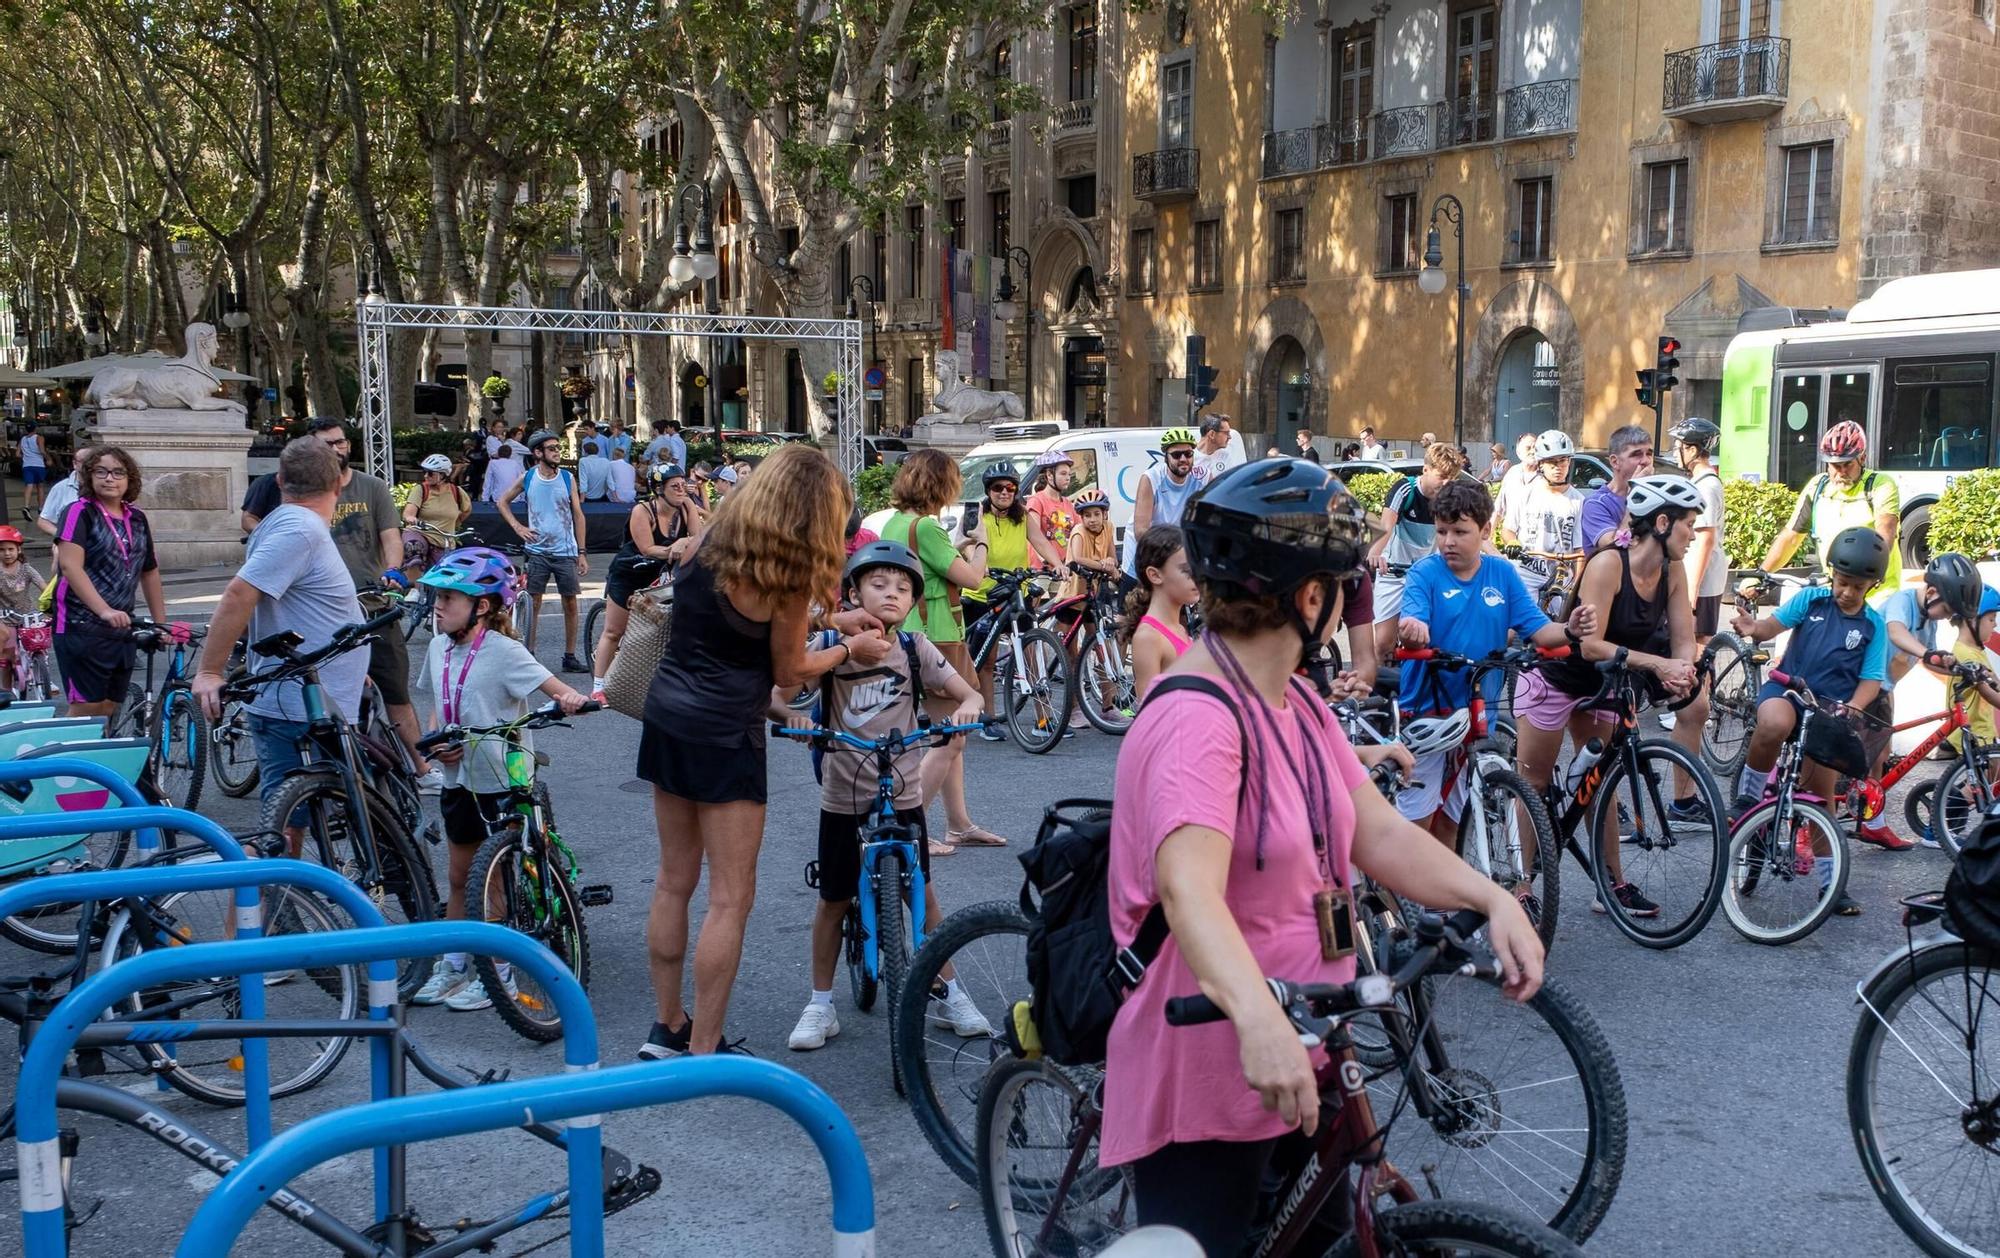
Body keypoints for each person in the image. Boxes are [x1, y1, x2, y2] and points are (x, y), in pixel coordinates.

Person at [1101, 458, 1545, 1255]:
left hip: (1309, 1035)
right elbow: (1188, 893)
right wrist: (1257, 1019)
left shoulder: (1295, 698)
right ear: (1312, 598)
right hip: (1214, 1061)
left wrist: (1493, 898)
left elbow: (1376, 834)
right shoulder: (1195, 721)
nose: (1356, 603)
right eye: (1352, 585)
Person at [637, 444, 889, 1058]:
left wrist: (837, 621)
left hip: (667, 715)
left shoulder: (708, 539)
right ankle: (705, 1046)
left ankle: (667, 1026)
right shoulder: (786, 577)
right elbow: (790, 672)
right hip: (726, 734)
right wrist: (848, 650)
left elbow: (734, 635)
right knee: (731, 896)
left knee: (673, 881)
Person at [779, 541, 990, 1051]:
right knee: (832, 898)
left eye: (902, 588)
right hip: (843, 793)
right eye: (877, 584)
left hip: (904, 792)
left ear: (916, 602)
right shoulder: (831, 643)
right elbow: (776, 692)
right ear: (852, 592)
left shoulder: (916, 649)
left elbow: (971, 692)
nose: (890, 594)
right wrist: (794, 719)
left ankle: (951, 992)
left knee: (924, 894)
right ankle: (820, 1003)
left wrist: (968, 706)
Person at [1512, 476, 1707, 919]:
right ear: (1662, 522)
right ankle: (1522, 883)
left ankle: (1611, 884)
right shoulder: (1607, 565)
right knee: (1535, 783)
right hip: (1559, 676)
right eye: (1688, 524)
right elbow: (1589, 645)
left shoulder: (1672, 571)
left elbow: (1682, 636)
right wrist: (1658, 666)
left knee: (1600, 785)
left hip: (1606, 682)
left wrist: (1682, 668)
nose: (1693, 534)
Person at [410, 548, 591, 1011]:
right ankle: (452, 966)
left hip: (501, 778)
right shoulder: (437, 647)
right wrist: (437, 741)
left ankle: (499, 975)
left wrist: (573, 700)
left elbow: (556, 689)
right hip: (458, 778)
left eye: (450, 597)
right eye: (438, 596)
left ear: (483, 606)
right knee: (457, 877)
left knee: (494, 881)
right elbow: (438, 703)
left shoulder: (506, 651)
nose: (439, 604)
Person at [1396, 480, 1596, 847]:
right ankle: (1406, 900)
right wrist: (1413, 631)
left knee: (1456, 815)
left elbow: (1539, 630)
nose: (1448, 541)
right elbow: (1413, 622)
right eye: (1441, 531)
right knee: (1418, 818)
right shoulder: (1424, 573)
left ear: (1486, 530)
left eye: (1460, 531)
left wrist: (1570, 630)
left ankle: (1442, 900)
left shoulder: (1502, 574)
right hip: (1429, 712)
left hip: (1476, 714)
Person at [191, 439, 366, 844]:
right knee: (280, 834)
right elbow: (239, 594)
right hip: (295, 707)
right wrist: (209, 670)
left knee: (296, 827)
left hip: (318, 700)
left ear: (280, 480)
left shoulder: (288, 524)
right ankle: (256, 904)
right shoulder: (300, 529)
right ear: (339, 483)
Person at [1727, 526, 1894, 915]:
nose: (1846, 592)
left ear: (1872, 584)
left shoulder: (1873, 626)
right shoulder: (1812, 600)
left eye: (1857, 586)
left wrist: (1852, 705)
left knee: (1822, 802)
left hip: (1828, 711)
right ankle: (1749, 795)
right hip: (1790, 690)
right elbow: (1773, 626)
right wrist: (1755, 628)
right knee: (1772, 725)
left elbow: (1871, 680)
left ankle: (1830, 886)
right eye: (1841, 581)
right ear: (1831, 573)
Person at [880, 449, 1006, 852]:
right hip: (938, 635)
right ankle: (911, 826)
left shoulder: (898, 523)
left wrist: (957, 545)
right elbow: (971, 578)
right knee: (951, 735)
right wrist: (981, 544)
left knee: (951, 733)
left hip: (910, 633)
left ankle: (958, 823)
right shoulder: (927, 528)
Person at [300, 418, 435, 786]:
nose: (337, 449)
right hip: (324, 614)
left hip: (373, 606)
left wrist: (393, 571)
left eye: (341, 442)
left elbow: (391, 537)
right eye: (327, 444)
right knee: (327, 699)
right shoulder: (307, 493)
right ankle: (330, 775)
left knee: (395, 690)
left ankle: (422, 768)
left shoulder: (371, 487)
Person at [52, 446, 170, 720]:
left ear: (129, 479)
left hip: (121, 625)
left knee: (109, 707)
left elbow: (149, 571)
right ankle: (66, 762)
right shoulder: (78, 512)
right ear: (89, 476)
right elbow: (70, 566)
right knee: (86, 709)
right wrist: (104, 610)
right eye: (101, 472)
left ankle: (98, 761)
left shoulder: (137, 518)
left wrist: (161, 622)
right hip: (81, 623)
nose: (109, 478)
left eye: (118, 472)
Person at [961, 462, 1064, 738]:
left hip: (1016, 591)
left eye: (1010, 488)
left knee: (1031, 653)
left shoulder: (1023, 517)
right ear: (988, 491)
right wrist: (976, 563)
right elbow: (968, 545)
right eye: (998, 488)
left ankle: (1044, 721)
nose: (1005, 492)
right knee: (987, 659)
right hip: (982, 595)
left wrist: (1057, 564)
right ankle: (988, 720)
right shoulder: (977, 515)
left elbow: (1041, 542)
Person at [591, 463, 704, 697]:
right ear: (659, 489)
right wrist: (677, 545)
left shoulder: (687, 506)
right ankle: (598, 687)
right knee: (614, 631)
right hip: (630, 571)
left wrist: (686, 543)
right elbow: (647, 549)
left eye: (684, 485)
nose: (682, 490)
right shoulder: (642, 511)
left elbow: (697, 539)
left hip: (661, 574)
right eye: (675, 486)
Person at [1757, 419, 1901, 601]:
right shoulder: (1817, 487)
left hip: (1879, 594)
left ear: (1862, 458)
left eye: (1847, 464)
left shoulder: (1880, 485)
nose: (1840, 472)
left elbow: (1886, 530)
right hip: (1837, 592)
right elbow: (1791, 538)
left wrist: (1870, 572)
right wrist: (1761, 574)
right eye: (1834, 465)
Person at [497, 429, 590, 673]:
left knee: (570, 603)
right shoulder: (528, 477)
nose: (557, 452)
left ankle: (570, 656)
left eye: (558, 448)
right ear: (538, 453)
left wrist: (582, 552)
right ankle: (529, 654)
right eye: (552, 448)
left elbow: (578, 515)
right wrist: (518, 527)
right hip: (537, 550)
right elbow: (502, 501)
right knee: (533, 603)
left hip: (565, 551)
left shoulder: (568, 478)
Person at [1367, 441, 1459, 676]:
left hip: (1425, 574)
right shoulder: (1404, 489)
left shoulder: (1449, 498)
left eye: (1452, 478)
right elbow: (1386, 526)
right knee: (1383, 644)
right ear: (1425, 469)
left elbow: (1463, 531)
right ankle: (1381, 696)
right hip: (1394, 571)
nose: (1446, 483)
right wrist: (1375, 553)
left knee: (1432, 640)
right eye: (1442, 476)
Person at [1500, 429, 1587, 604]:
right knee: (1519, 625)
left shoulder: (1579, 501)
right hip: (1526, 572)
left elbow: (1580, 550)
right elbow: (1508, 530)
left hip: (1560, 575)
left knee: (1559, 625)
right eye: (1551, 462)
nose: (1558, 467)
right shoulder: (1525, 493)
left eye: (1563, 461)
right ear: (1540, 464)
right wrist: (1512, 542)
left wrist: (1577, 587)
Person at [1670, 418, 1728, 645]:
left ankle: (1706, 683)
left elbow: (1705, 538)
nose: (1675, 452)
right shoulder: (1699, 482)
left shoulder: (1707, 486)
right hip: (1696, 574)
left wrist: (1692, 590)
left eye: (1678, 447)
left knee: (1699, 644)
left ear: (1692, 449)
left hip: (1703, 579)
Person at [1124, 525, 1197, 696]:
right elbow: (1149, 714)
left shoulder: (1179, 629)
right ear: (1155, 575)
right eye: (1187, 570)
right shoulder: (1148, 637)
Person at [1127, 428, 1207, 575]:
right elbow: (1141, 532)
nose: (1183, 459)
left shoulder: (1203, 479)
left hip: (1176, 559)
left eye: (1188, 454)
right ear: (1166, 457)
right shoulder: (1151, 478)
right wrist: (1172, 551)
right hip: (1145, 555)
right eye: (1176, 455)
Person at [1577, 424, 1654, 556]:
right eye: (1637, 455)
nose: (1646, 461)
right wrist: (1634, 498)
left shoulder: (1655, 499)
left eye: (1649, 454)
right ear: (1615, 462)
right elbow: (1614, 548)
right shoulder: (1596, 504)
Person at [401, 453, 472, 578]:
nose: (425, 476)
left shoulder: (457, 492)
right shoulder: (421, 490)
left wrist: (454, 524)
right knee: (413, 548)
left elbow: (466, 511)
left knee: (445, 575)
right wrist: (412, 519)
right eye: (425, 472)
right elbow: (408, 513)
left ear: (443, 475)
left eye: (430, 473)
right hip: (421, 533)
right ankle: (414, 591)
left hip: (443, 539)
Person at [0, 525, 45, 678]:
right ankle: (6, 691)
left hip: (28, 614)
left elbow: (43, 586)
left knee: (38, 642)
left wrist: (51, 601)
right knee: (9, 654)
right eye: (2, 550)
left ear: (18, 550)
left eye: (11, 549)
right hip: (5, 617)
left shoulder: (26, 569)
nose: (7, 553)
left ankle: (42, 673)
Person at [1024, 450, 1077, 572]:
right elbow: (1033, 537)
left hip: (1064, 568)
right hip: (1042, 570)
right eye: (1063, 474)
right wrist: (1045, 560)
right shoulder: (1037, 501)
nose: (1068, 478)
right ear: (1049, 475)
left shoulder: (1068, 504)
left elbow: (1079, 533)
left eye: (1069, 474)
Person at [1061, 491, 1119, 600]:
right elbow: (1078, 559)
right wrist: (1105, 567)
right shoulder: (1079, 531)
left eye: (1097, 514)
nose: (1092, 520)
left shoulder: (1108, 527)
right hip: (1074, 592)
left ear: (1104, 514)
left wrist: (1110, 561)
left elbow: (1112, 557)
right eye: (1087, 515)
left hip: (1094, 590)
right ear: (1082, 518)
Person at [1491, 432, 1541, 530]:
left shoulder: (1545, 476)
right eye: (1528, 448)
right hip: (1510, 536)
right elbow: (1498, 509)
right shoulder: (1512, 474)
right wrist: (1487, 537)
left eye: (1536, 448)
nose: (1533, 451)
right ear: (1518, 452)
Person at [35, 446, 87, 540]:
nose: (88, 465)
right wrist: (64, 537)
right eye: (83, 461)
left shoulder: (105, 486)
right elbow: (43, 521)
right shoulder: (60, 488)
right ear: (75, 464)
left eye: (92, 461)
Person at [483, 424, 526, 503]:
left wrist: (485, 499)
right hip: (515, 498)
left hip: (498, 498)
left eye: (502, 427)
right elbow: (520, 481)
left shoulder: (493, 463)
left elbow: (487, 482)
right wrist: (522, 498)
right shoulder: (515, 463)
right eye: (498, 427)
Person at [1195, 416, 1240, 483]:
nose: (1229, 437)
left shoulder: (1225, 456)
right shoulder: (1189, 457)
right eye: (1226, 433)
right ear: (1212, 434)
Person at [19, 427, 46, 517]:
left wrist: (26, 456)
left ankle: (26, 507)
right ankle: (41, 508)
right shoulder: (39, 438)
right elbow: (42, 451)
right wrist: (49, 458)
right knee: (40, 486)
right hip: (39, 465)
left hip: (27, 465)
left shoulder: (22, 439)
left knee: (29, 485)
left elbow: (17, 454)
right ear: (35, 428)